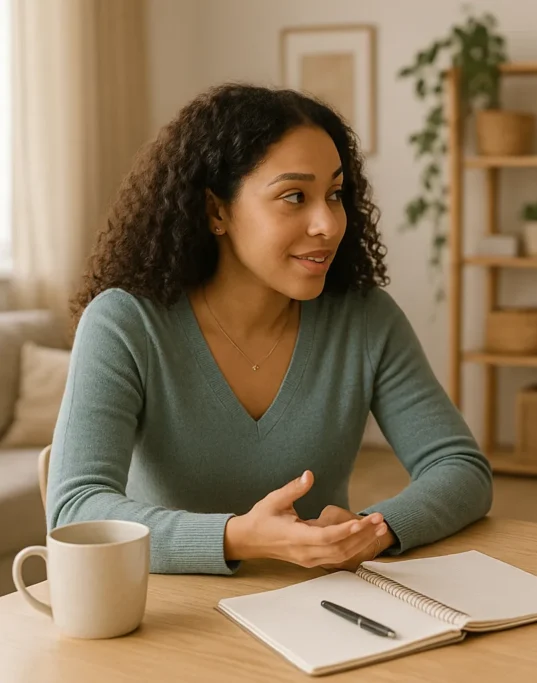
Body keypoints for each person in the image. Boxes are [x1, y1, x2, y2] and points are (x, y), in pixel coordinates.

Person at [47, 84, 492, 575]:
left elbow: (461, 468)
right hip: (168, 619)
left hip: (320, 609)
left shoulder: (365, 319)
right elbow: (76, 509)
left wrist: (372, 530)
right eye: (294, 196)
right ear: (217, 211)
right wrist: (240, 537)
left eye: (335, 194)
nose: (328, 223)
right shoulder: (125, 324)